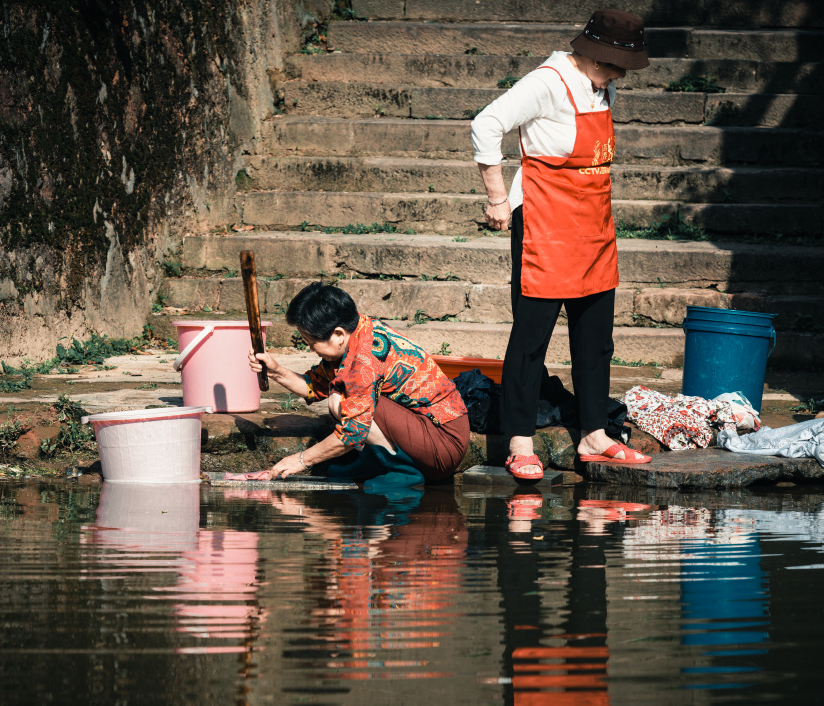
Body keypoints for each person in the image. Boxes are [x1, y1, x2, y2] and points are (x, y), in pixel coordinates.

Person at [471, 8, 653, 480]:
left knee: (596, 340)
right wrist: (496, 198)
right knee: (531, 341)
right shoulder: (547, 82)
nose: (621, 75)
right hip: (544, 224)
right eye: (618, 65)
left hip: (592, 225)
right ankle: (518, 440)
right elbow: (486, 124)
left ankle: (595, 435)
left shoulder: (602, 85)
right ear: (597, 55)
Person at [247, 282, 471, 489]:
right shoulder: (357, 332)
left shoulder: (365, 359)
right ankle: (374, 460)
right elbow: (313, 387)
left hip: (443, 444)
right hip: (423, 431)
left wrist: (301, 460)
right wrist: (275, 371)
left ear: (338, 335)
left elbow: (353, 432)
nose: (312, 350)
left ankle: (402, 470)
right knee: (339, 397)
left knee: (341, 400)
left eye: (312, 343)